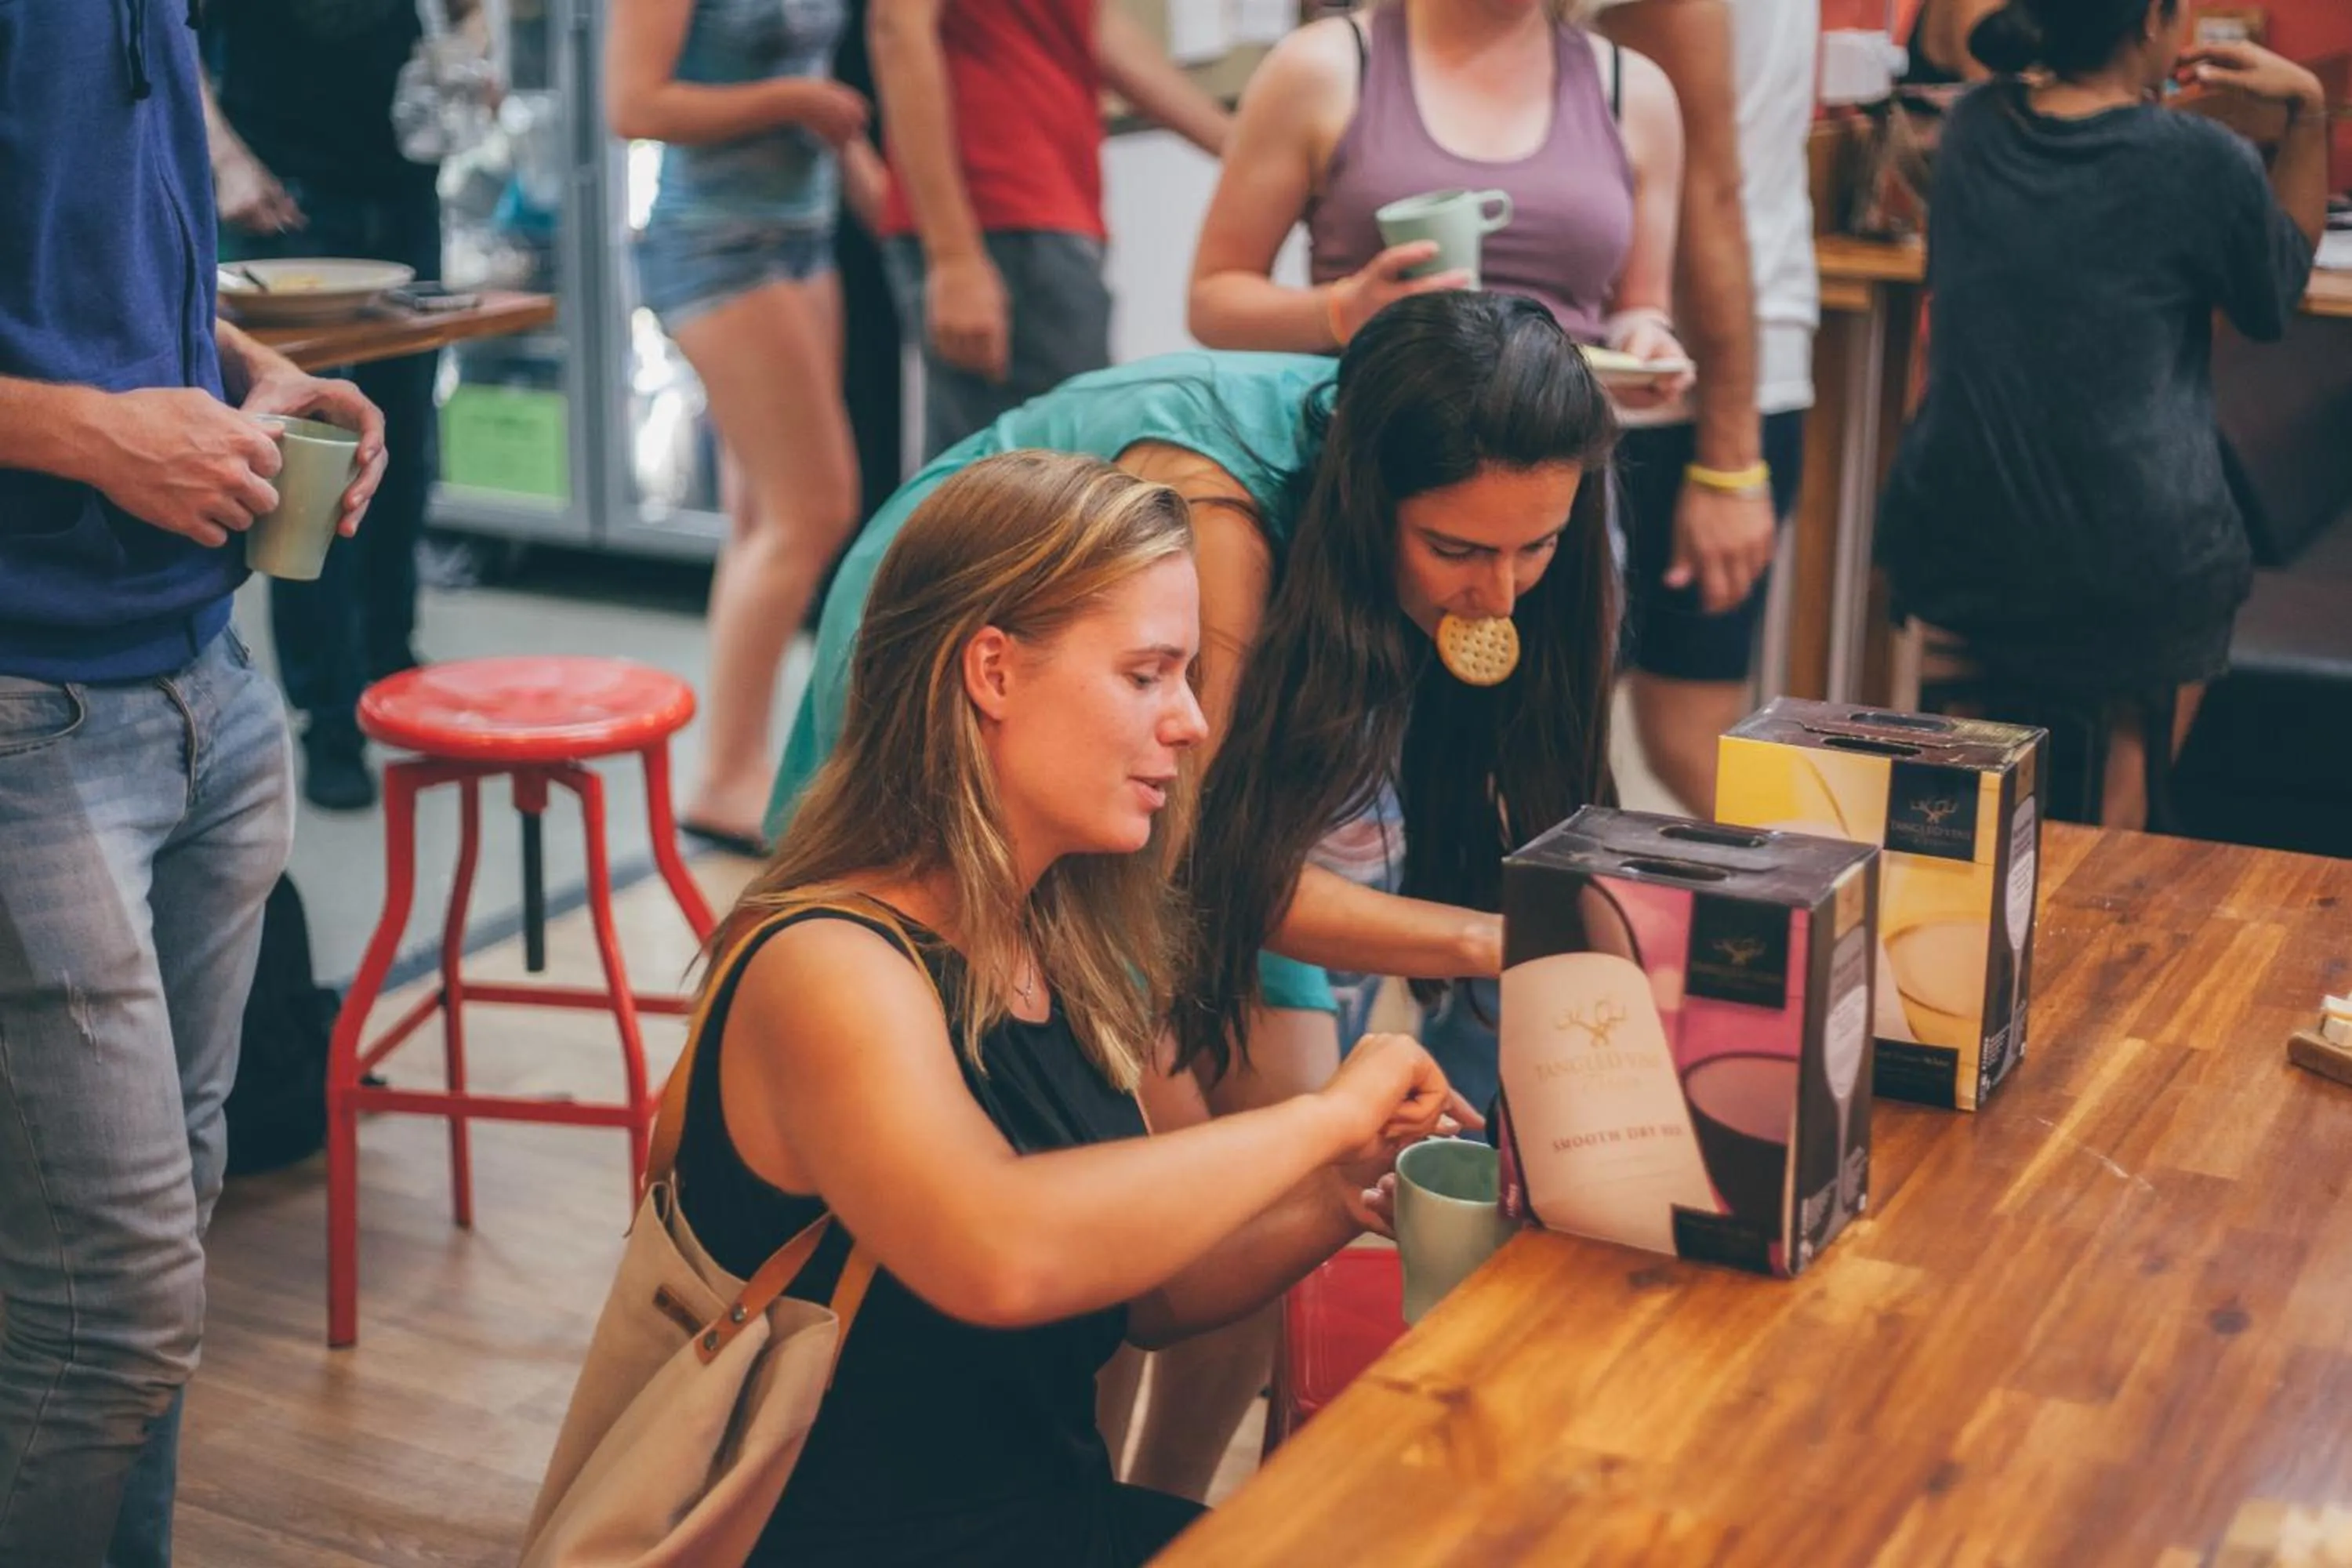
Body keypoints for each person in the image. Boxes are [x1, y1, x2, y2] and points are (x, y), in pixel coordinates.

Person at [764, 292, 1620, 1497]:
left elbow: (1226, 858)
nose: (1504, 599)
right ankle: (1079, 1488)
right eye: (1462, 553)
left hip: (1158, 817)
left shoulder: (1439, 533)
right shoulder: (1216, 537)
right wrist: (1490, 948)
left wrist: (1327, 1180)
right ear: (1367, 496)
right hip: (1007, 695)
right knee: (1128, 1171)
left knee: (1248, 1181)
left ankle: (1160, 1508)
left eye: (1538, 548)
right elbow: (1200, 865)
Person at [677, 448, 1468, 1563]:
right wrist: (1323, 1118)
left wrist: (1343, 1195)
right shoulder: (827, 965)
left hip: (1041, 1523)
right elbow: (1000, 1251)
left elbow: (1147, 1290)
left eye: (1186, 676)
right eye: (1147, 675)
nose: (1191, 722)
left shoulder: (1062, 937)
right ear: (992, 673)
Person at [0, 5, 386, 1561]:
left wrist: (234, 358)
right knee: (118, 1302)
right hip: (31, 709)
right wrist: (93, 432)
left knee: (137, 1281)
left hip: (203, 681)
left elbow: (67, 256)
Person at [1185, 0, 1718, 807]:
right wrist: (1341, 311)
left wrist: (1647, 339)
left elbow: (1638, 302)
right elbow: (1213, 299)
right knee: (1335, 801)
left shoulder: (1631, 90)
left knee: (1534, 784)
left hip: (1551, 500)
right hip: (1381, 494)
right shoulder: (1326, 67)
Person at [1876, 0, 2325, 829]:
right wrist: (2307, 111)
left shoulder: (1976, 126)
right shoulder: (2204, 159)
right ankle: (2113, 863)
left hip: (1956, 537)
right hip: (2134, 561)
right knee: (2136, 752)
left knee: (1967, 805)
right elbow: (2273, 300)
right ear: (2153, 20)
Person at [607, 0, 891, 851]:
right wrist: (794, 103)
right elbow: (637, 106)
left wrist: (871, 179)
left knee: (767, 518)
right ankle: (728, 775)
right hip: (713, 246)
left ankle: (737, 768)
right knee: (815, 510)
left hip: (802, 235)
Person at [200, 0, 484, 811]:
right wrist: (224, 159)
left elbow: (469, 12)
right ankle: (330, 721)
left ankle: (396, 672)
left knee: (403, 446)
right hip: (284, 195)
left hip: (403, 188)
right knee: (310, 472)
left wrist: (465, 58)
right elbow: (172, 40)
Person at [1588, 0, 1821, 811]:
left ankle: (1850, 917)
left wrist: (1728, 455)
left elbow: (1707, 188)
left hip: (1679, 383)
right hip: (1703, 368)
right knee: (1659, 738)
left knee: (1683, 741)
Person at [869, 0, 1235, 459]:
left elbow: (1095, 30)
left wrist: (1248, 152)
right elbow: (898, 29)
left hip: (1052, 215)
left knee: (1068, 469)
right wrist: (954, 255)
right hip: (997, 218)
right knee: (1022, 489)